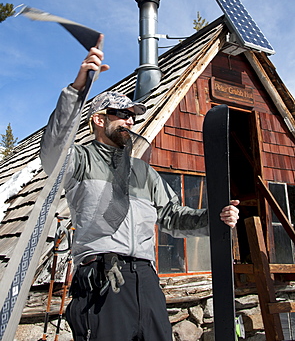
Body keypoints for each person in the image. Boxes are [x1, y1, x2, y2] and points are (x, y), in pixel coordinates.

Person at [40, 40, 239, 341]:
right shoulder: (79, 160)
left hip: (147, 279)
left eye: (132, 115)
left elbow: (173, 217)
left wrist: (215, 218)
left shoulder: (144, 172)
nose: (130, 121)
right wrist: (77, 89)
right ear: (98, 119)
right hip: (102, 280)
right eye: (122, 113)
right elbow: (53, 149)